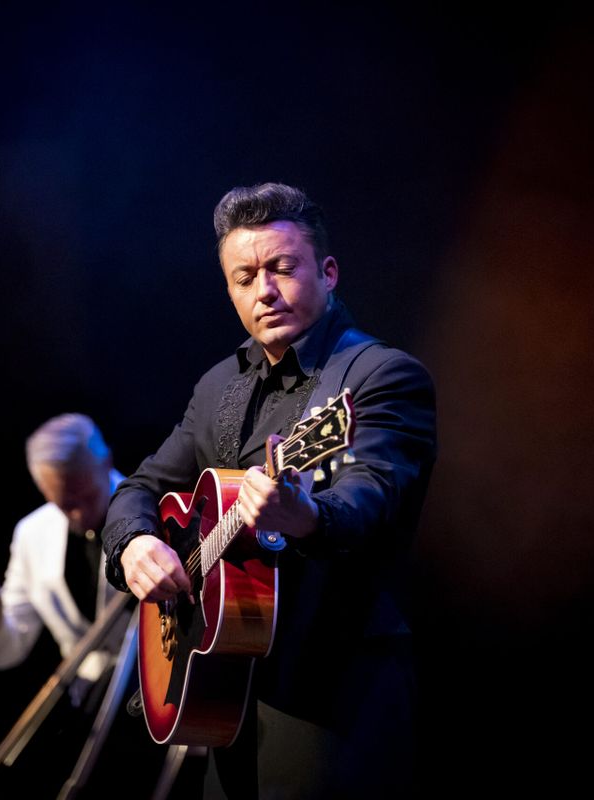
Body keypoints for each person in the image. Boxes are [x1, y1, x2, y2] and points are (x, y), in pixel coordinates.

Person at [102, 182, 437, 798]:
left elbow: (372, 499)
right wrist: (132, 546)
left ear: (328, 272)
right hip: (227, 690)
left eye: (282, 268)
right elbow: (141, 486)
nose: (265, 291)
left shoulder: (380, 375)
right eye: (244, 277)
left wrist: (303, 513)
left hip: (336, 699)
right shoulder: (217, 386)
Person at [0, 412, 125, 703]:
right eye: (66, 504)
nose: (80, 514)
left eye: (89, 496)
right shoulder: (32, 533)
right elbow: (13, 647)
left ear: (106, 463)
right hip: (87, 703)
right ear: (43, 490)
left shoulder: (155, 508)